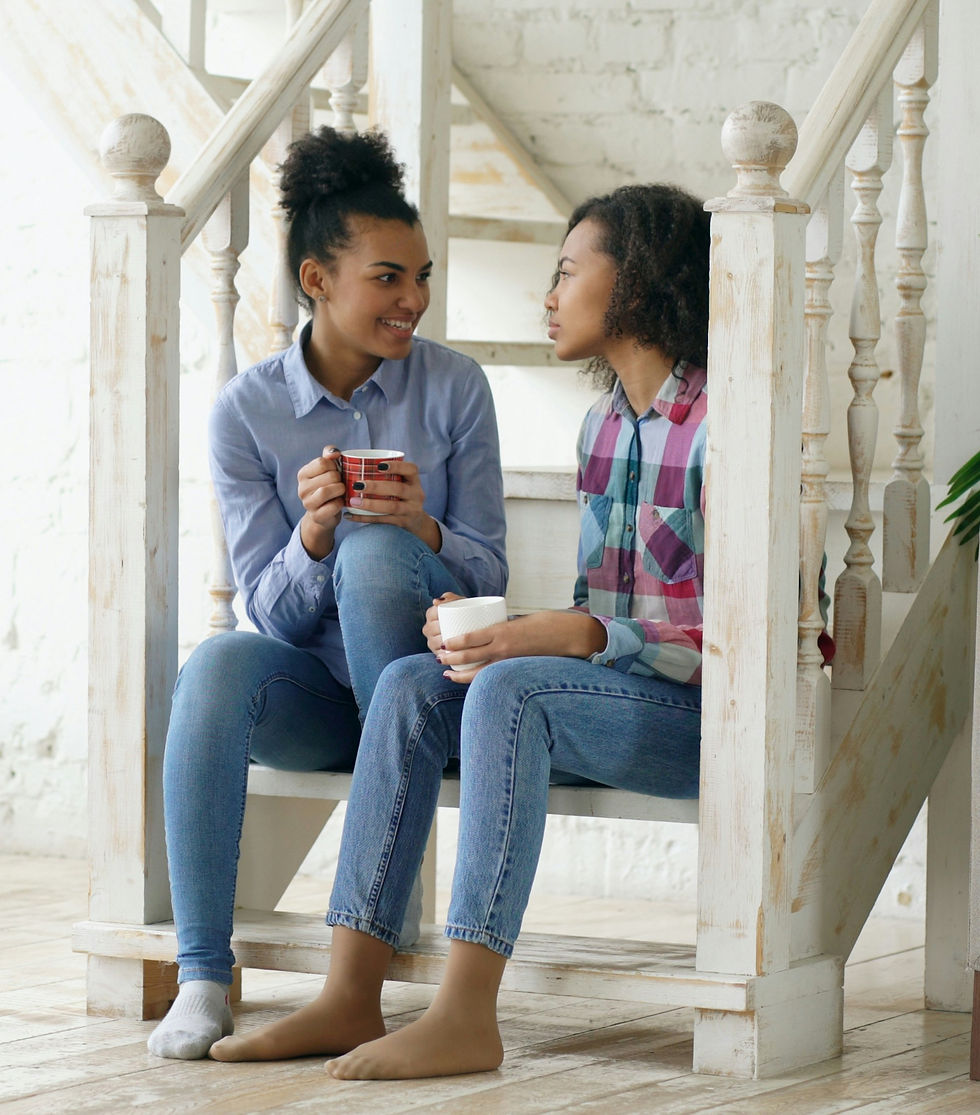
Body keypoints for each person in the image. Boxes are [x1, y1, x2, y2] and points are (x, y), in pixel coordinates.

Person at [207, 181, 710, 1077]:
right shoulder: (604, 427)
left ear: (633, 285)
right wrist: (516, 630)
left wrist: (569, 639)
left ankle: (467, 1012)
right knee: (407, 681)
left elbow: (751, 630)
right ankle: (351, 992)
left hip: (705, 720)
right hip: (615, 696)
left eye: (564, 273)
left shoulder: (727, 426)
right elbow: (604, 610)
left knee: (514, 691)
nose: (547, 297)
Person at [146, 126, 508, 1060]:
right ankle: (201, 974)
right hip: (323, 698)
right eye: (389, 277)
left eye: (422, 276)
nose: (414, 300)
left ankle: (356, 975)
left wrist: (421, 527)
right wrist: (312, 533)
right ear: (317, 280)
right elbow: (270, 611)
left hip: (429, 695)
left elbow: (491, 576)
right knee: (219, 662)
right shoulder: (247, 410)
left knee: (379, 554)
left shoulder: (456, 388)